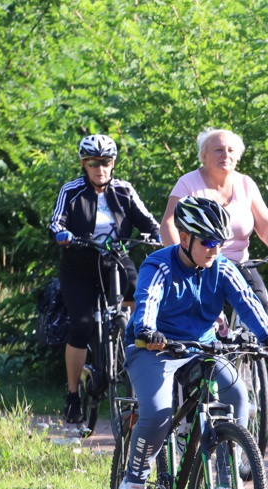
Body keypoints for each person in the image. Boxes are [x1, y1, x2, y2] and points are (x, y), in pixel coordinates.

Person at [114, 196, 268, 489]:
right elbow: (147, 300)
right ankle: (133, 484)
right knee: (158, 414)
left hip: (200, 349)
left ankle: (224, 482)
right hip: (152, 348)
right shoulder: (159, 264)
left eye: (220, 242)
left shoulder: (221, 267)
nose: (215, 249)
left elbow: (247, 301)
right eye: (207, 241)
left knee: (237, 396)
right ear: (184, 237)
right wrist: (148, 330)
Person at [48, 134, 161, 424]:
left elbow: (148, 221)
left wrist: (157, 237)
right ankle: (73, 394)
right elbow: (56, 221)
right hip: (80, 264)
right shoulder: (71, 191)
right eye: (93, 163)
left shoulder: (124, 190)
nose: (100, 168)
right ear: (83, 164)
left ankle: (140, 368)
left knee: (143, 303)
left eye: (106, 162)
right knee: (81, 325)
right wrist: (62, 234)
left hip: (115, 259)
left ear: (113, 163)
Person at [159, 128, 268, 310]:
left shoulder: (246, 184)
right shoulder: (188, 183)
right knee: (204, 310)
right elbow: (168, 224)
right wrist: (182, 260)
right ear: (204, 156)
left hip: (239, 264)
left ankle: (252, 338)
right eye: (218, 150)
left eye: (231, 150)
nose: (225, 155)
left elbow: (266, 223)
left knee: (259, 301)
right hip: (201, 264)